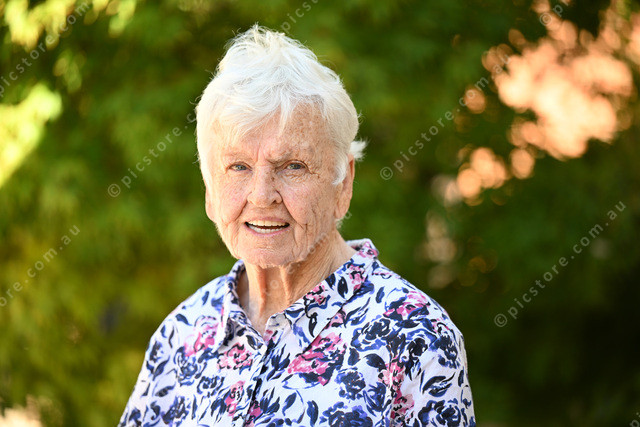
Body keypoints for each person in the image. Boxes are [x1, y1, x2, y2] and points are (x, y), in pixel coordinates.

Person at [119, 25, 475, 426]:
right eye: (238, 166)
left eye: (292, 166)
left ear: (344, 183)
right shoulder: (181, 336)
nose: (261, 195)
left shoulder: (416, 337)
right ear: (209, 190)